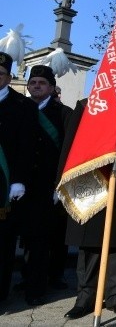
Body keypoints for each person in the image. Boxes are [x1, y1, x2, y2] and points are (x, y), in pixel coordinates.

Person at [62, 85, 116, 318]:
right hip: (89, 184)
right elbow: (68, 145)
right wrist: (61, 180)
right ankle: (85, 298)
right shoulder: (84, 106)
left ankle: (115, 297)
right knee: (89, 246)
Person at [20, 65, 72, 305]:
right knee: (28, 236)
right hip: (23, 185)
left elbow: (68, 151)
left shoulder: (64, 114)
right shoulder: (20, 109)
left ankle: (39, 286)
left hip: (50, 185)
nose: (36, 86)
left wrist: (60, 183)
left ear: (52, 88)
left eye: (42, 83)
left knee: (48, 236)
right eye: (33, 83)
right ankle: (28, 276)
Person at [0, 52, 38, 303]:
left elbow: (27, 146)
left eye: (0, 74)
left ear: (9, 76)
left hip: (4, 184)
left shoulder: (23, 106)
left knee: (3, 242)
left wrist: (19, 180)